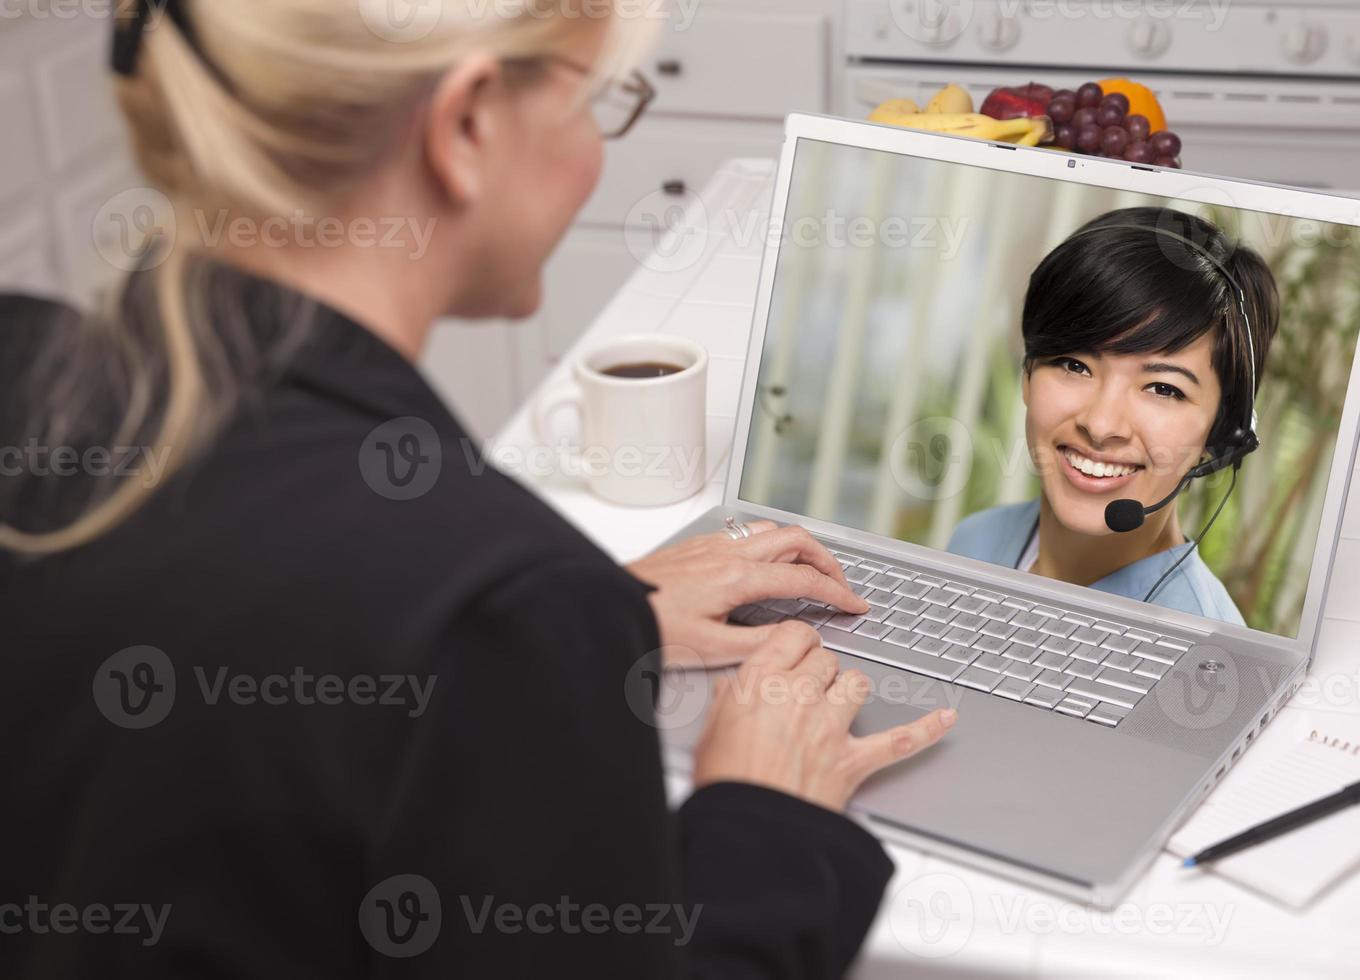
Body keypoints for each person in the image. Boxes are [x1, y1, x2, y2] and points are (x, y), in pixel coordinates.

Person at [0, 2, 954, 976]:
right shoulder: (497, 602)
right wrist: (768, 816)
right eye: (594, 103)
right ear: (466, 125)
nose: (592, 151)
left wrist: (570, 625)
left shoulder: (22, 365)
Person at [949, 207, 1280, 626]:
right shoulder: (976, 540)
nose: (1101, 425)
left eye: (1163, 388)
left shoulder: (1203, 654)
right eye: (1074, 365)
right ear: (1028, 375)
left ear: (1221, 433)